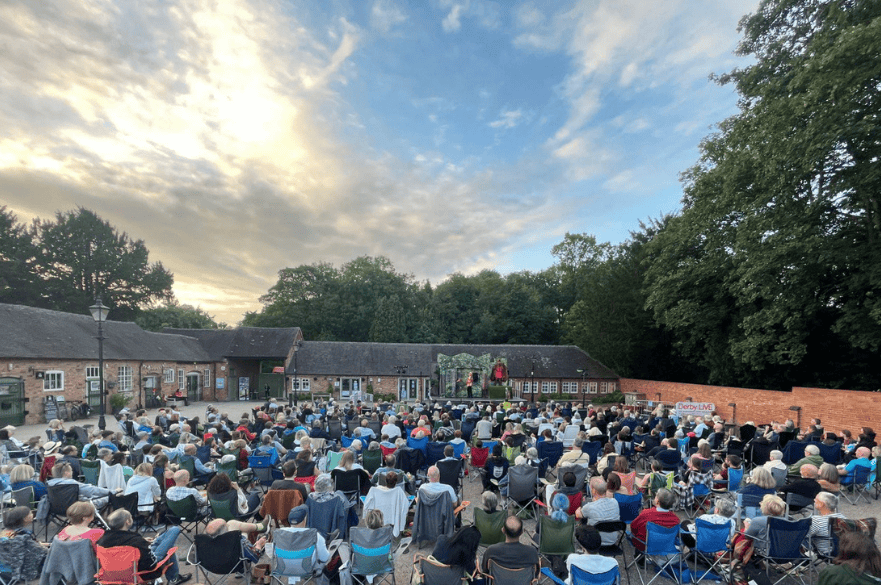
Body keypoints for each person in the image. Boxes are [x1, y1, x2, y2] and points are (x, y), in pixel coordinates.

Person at [97, 509, 191, 584]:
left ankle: (174, 578)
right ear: (127, 522)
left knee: (162, 542)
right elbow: (151, 562)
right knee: (174, 531)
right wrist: (146, 544)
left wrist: (144, 542)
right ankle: (173, 579)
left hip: (111, 574)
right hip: (141, 572)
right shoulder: (136, 540)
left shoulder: (102, 541)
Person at [630, 489, 680, 554]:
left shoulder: (646, 513)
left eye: (656, 496)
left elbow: (633, 527)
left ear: (657, 501)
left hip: (645, 546)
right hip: (665, 547)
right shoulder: (676, 520)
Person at [576, 477, 620, 547]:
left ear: (594, 491)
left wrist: (578, 508)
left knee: (581, 524)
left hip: (594, 542)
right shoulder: (615, 502)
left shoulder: (589, 507)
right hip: (612, 541)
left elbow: (578, 515)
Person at [806, 491, 845, 557]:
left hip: (827, 552)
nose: (814, 500)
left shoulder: (817, 520)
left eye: (816, 499)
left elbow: (805, 535)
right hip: (843, 552)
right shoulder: (843, 518)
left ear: (822, 504)